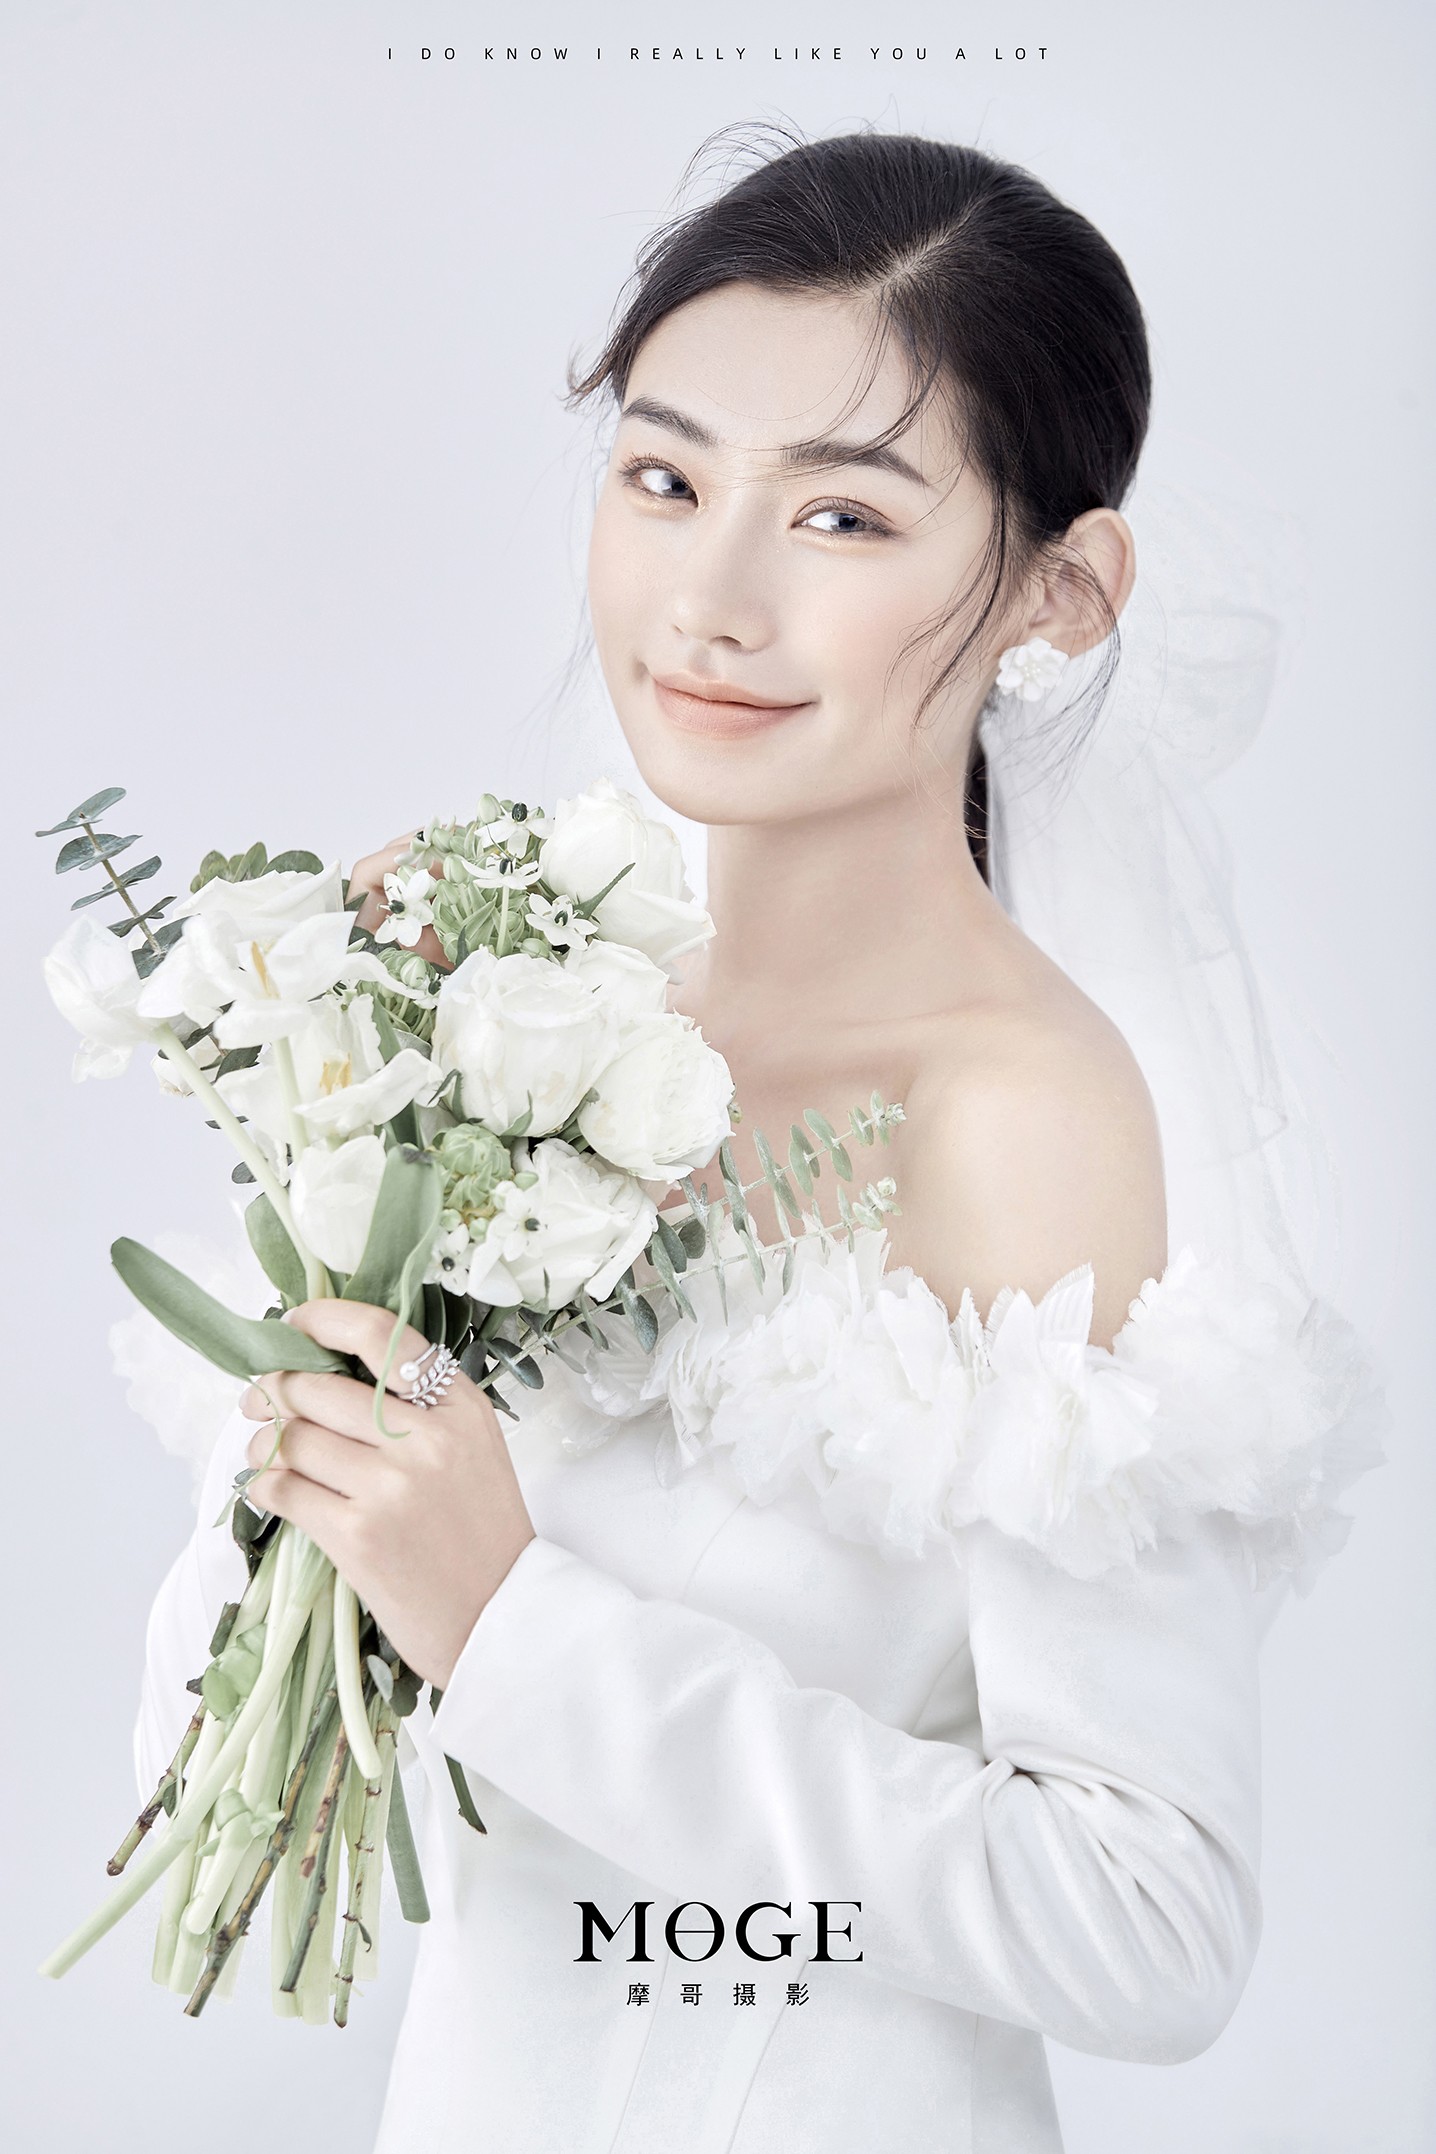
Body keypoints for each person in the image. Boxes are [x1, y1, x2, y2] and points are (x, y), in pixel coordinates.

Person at [135, 131, 1386, 2150]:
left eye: (841, 516)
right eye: (664, 478)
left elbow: (1148, 1925)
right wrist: (351, 1163)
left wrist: (516, 1625)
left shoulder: (1017, 1121)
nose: (710, 599)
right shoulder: (538, 1035)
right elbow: (224, 1799)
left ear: (1062, 591)